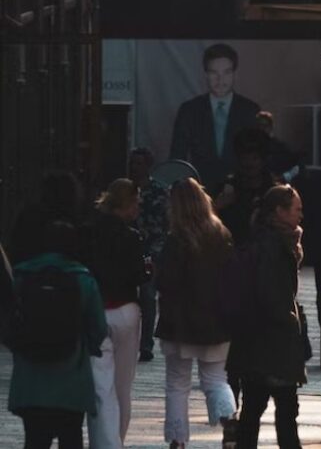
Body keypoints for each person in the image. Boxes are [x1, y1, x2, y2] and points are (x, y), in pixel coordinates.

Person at [6, 221, 106, 449]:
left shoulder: (21, 275)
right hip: (72, 376)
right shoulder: (83, 278)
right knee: (71, 437)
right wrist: (87, 346)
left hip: (30, 379)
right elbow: (98, 327)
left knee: (34, 439)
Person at [155, 178, 237, 449]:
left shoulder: (176, 240)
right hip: (216, 320)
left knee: (177, 383)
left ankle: (178, 440)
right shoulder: (221, 234)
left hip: (179, 323)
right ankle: (229, 419)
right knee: (215, 379)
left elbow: (165, 281)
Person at [227, 185, 307, 449]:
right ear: (279, 212)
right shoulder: (273, 245)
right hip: (273, 339)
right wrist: (288, 319)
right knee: (283, 408)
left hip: (259, 339)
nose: (300, 216)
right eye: (296, 209)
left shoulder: (267, 239)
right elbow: (269, 292)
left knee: (255, 406)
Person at [83, 179, 148, 449]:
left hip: (98, 310)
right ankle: (116, 441)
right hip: (126, 310)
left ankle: (106, 442)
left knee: (101, 386)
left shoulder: (88, 232)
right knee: (123, 386)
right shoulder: (132, 237)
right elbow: (138, 276)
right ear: (129, 203)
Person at [168, 43, 261, 189]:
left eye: (226, 72)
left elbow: (258, 160)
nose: (220, 79)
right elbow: (177, 159)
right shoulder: (189, 110)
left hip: (242, 194)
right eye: (214, 73)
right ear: (205, 74)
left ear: (235, 74)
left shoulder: (250, 110)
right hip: (199, 195)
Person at [126, 147, 168, 364]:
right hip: (126, 249)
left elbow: (165, 221)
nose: (135, 167)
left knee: (148, 295)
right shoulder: (124, 190)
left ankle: (145, 345)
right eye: (132, 163)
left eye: (139, 163)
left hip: (151, 249)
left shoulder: (159, 191)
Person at [214, 129, 282, 249]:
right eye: (244, 158)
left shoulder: (276, 191)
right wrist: (216, 207)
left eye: (254, 158)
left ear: (263, 159)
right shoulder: (225, 189)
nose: (249, 164)